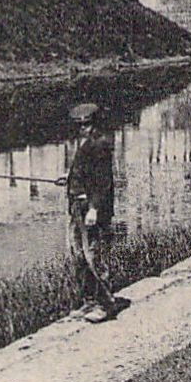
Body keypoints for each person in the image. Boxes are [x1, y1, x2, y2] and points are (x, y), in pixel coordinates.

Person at [61, 102, 118, 322]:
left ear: (94, 124)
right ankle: (89, 301)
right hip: (78, 207)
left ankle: (106, 304)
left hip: (90, 209)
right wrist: (69, 180)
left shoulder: (99, 144)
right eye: (80, 126)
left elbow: (103, 181)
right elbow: (84, 173)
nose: (82, 129)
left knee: (93, 254)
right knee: (78, 255)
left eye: (86, 125)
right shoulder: (85, 143)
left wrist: (94, 208)